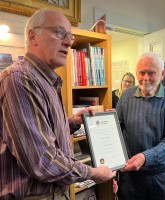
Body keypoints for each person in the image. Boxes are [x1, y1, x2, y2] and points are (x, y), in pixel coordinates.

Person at [0, 9, 115, 200]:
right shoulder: (20, 79)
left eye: (70, 35)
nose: (69, 42)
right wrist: (91, 173)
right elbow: (41, 160)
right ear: (33, 36)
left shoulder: (44, 81)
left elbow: (43, 133)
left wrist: (72, 123)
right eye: (59, 32)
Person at [116, 52, 165, 200]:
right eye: (141, 73)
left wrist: (144, 158)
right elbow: (117, 131)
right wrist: (108, 120)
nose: (145, 78)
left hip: (163, 177)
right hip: (131, 179)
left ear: (162, 73)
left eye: (151, 73)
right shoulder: (126, 96)